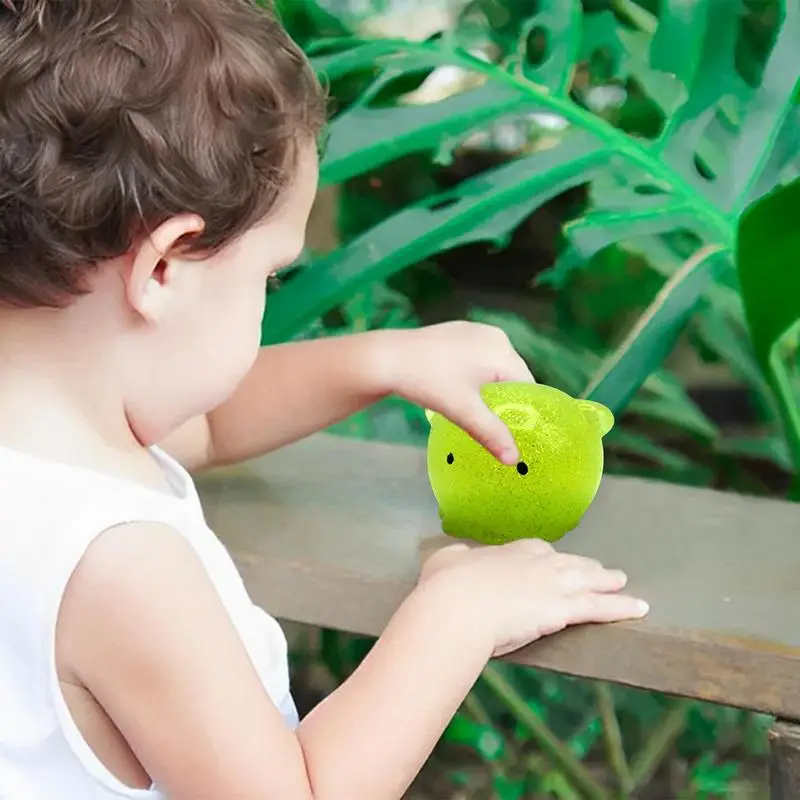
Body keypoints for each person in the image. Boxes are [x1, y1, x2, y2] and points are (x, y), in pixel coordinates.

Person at [0, 1, 649, 797]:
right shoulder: (120, 565)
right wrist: (457, 616)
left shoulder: (54, 447)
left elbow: (199, 426)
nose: (269, 293)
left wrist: (378, 358)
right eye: (269, 275)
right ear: (164, 267)